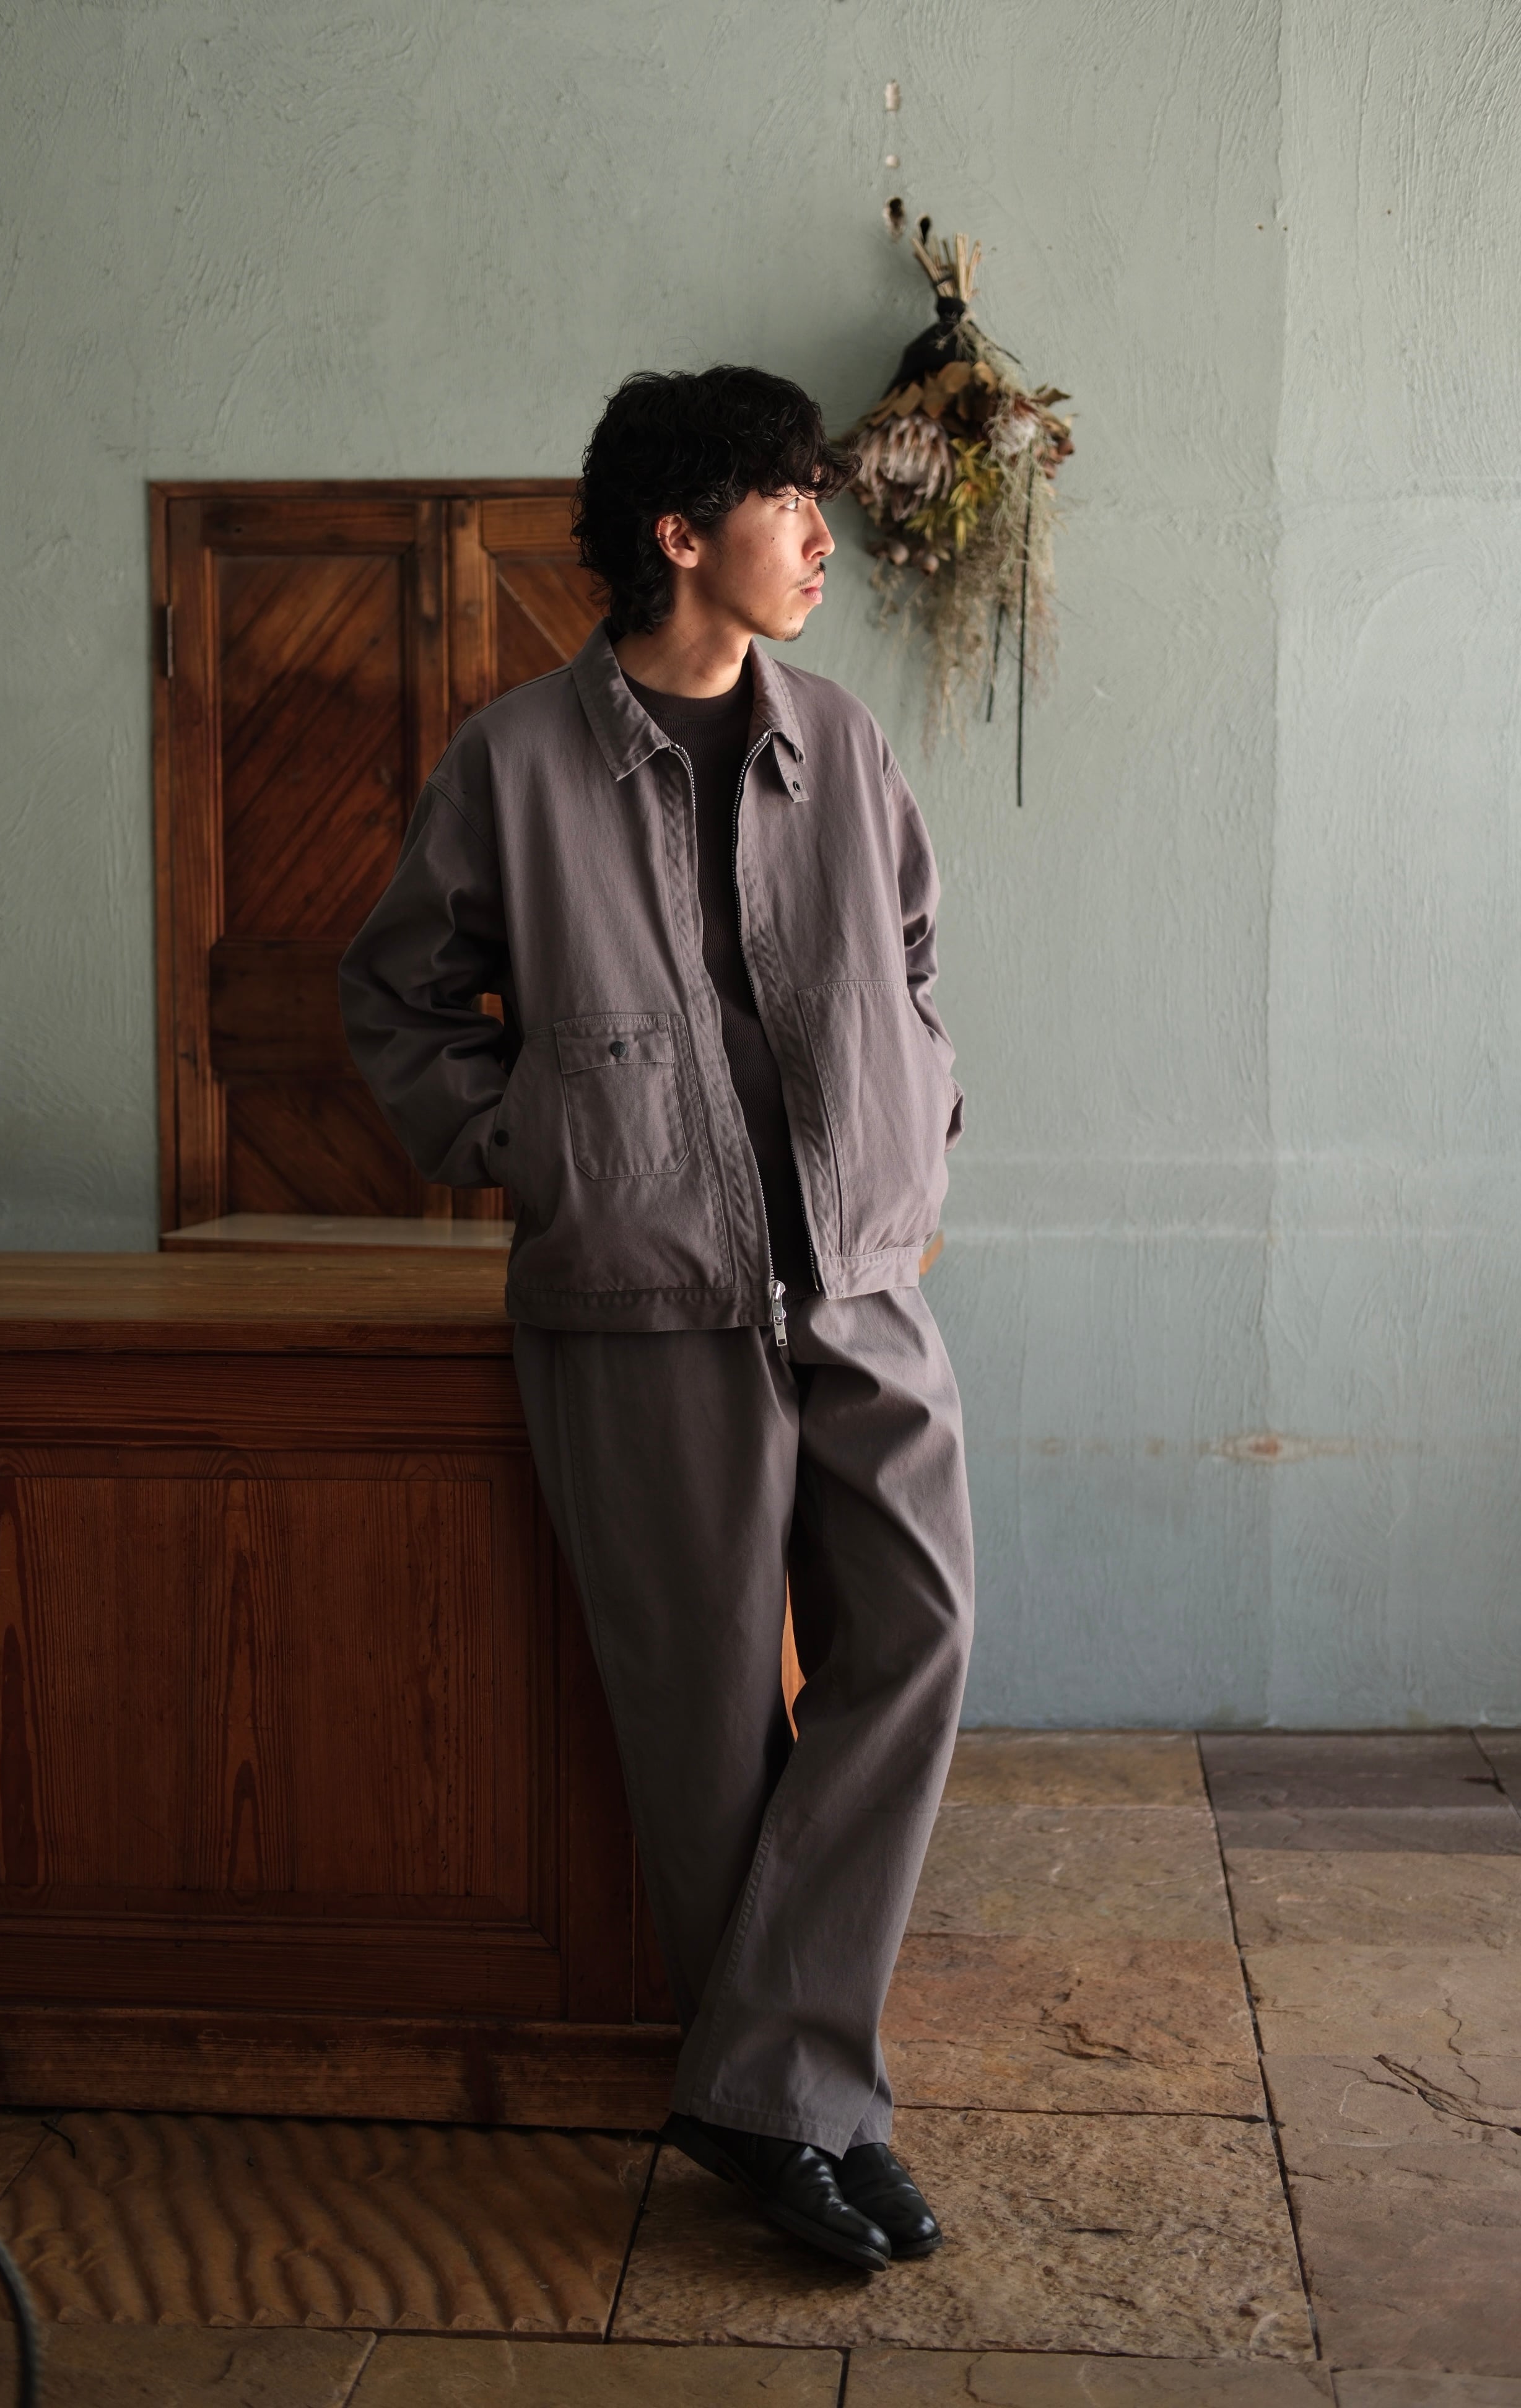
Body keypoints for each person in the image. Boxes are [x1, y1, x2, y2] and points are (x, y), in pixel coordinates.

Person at [340, 365, 974, 2273]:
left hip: (857, 1283)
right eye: (792, 501)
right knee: (708, 1729)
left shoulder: (839, 740)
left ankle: (764, 2097)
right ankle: (814, 2122)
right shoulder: (516, 762)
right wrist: (543, 1146)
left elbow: (915, 958)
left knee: (920, 1635)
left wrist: (917, 1119)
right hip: (642, 1303)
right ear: (682, 534)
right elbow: (396, 1001)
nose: (825, 537)